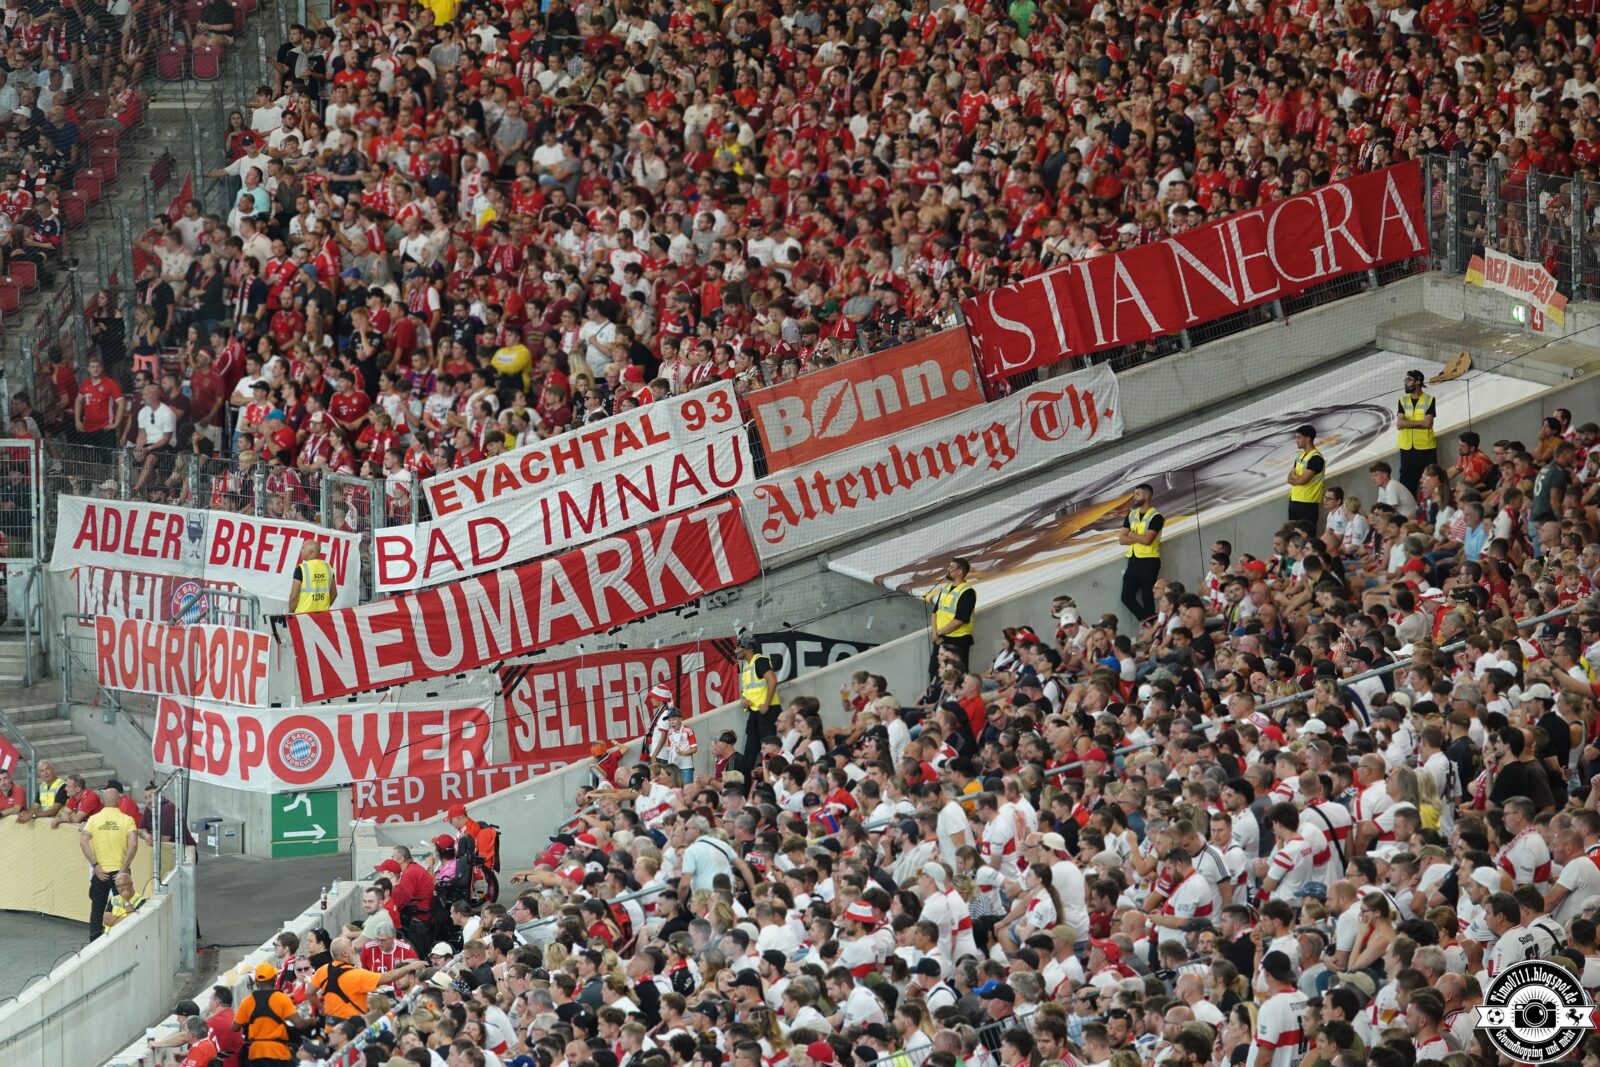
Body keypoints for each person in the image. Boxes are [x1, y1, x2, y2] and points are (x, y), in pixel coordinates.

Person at [311, 936, 425, 1020]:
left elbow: (309, 993)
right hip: (352, 1027)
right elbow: (388, 977)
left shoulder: (322, 970)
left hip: (331, 1026)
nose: (354, 947)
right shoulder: (356, 975)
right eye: (350, 945)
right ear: (345, 953)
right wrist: (410, 967)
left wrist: (321, 1008)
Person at [79, 778, 137, 941]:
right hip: (120, 873)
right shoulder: (127, 820)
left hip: (101, 873)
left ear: (103, 801)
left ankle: (95, 941)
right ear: (119, 800)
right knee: (125, 906)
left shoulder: (93, 819)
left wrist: (95, 865)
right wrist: (124, 868)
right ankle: (124, 938)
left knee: (97, 909)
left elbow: (83, 841)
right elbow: (133, 844)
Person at [235, 961, 302, 1065]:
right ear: (275, 979)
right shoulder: (283, 999)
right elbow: (298, 1024)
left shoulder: (247, 1001)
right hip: (279, 1053)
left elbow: (234, 1027)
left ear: (256, 981)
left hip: (255, 1054)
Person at [735, 632, 779, 775]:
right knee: (751, 748)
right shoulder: (748, 666)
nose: (736, 651)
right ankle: (747, 781)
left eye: (738, 648)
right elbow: (748, 690)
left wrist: (766, 704)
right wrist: (743, 699)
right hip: (754, 712)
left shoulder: (760, 661)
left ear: (748, 649)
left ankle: (772, 778)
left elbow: (772, 680)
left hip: (767, 711)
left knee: (769, 747)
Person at [923, 557, 976, 672]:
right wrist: (935, 633)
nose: (948, 569)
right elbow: (935, 613)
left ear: (960, 571)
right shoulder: (946, 588)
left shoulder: (968, 592)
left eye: (951, 567)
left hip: (957, 641)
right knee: (934, 671)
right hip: (941, 638)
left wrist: (937, 633)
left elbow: (959, 620)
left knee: (956, 673)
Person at [1119, 482, 1163, 621]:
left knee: (1147, 596)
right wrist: (1138, 537)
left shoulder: (1156, 517)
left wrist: (1131, 535)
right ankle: (1148, 622)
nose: (1135, 497)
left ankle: (1151, 625)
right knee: (1126, 597)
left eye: (1137, 494)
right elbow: (1121, 539)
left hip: (1149, 561)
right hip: (1133, 561)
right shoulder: (1131, 514)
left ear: (1147, 495)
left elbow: (1147, 540)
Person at [1395, 368, 1437, 495]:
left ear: (1418, 382)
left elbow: (1428, 423)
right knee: (1407, 488)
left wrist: (1407, 424)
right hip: (1407, 449)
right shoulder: (1403, 401)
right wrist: (1420, 423)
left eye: (1408, 380)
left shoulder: (1429, 400)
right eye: (1405, 380)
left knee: (1431, 483)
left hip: (1426, 448)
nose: (1405, 382)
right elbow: (1399, 423)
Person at [1286, 424, 1325, 535]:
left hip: (1307, 504)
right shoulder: (1300, 456)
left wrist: (1296, 477)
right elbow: (1289, 479)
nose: (1296, 440)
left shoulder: (1316, 458)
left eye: (1299, 437)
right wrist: (1296, 478)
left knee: (1306, 536)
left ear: (1308, 438)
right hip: (1294, 501)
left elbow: (1301, 481)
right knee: (1293, 536)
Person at [287, 538, 336, 614]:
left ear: (310, 552)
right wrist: (325, 607)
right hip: (323, 615)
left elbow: (293, 597)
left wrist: (291, 612)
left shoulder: (301, 568)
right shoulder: (328, 567)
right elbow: (334, 593)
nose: (301, 550)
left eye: (303, 548)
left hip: (303, 616)